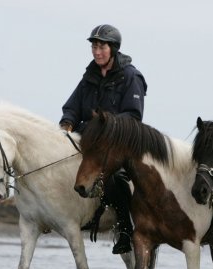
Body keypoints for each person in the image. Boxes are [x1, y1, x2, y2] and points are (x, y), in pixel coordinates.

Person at [60, 24, 147, 254]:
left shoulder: (131, 76)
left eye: (102, 47)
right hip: (89, 140)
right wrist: (66, 124)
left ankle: (126, 230)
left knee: (114, 175)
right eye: (94, 47)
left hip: (118, 144)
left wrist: (104, 126)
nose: (97, 52)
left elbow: (134, 116)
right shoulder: (89, 75)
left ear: (113, 49)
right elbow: (72, 106)